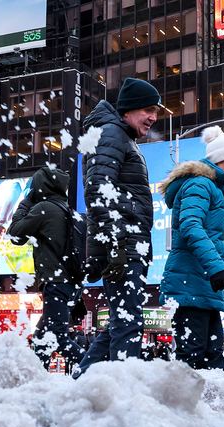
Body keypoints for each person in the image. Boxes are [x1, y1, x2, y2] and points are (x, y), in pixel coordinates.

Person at [75, 78, 160, 379]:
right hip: (122, 245)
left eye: (155, 111)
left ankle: (81, 383)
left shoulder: (121, 137)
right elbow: (97, 190)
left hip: (126, 244)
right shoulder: (112, 134)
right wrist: (115, 247)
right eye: (148, 109)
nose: (153, 116)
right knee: (127, 322)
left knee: (121, 322)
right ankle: (125, 391)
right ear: (128, 110)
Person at [158, 126, 224, 371]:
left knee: (212, 357)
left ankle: (212, 410)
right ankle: (182, 410)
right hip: (192, 284)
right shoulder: (200, 184)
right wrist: (217, 267)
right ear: (219, 159)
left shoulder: (213, 187)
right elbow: (190, 226)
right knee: (193, 360)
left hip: (201, 284)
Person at [8, 167, 86, 370]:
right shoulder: (69, 211)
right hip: (71, 285)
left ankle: (94, 368)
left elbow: (15, 235)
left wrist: (25, 203)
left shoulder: (44, 208)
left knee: (58, 337)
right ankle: (38, 378)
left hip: (56, 283)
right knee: (42, 337)